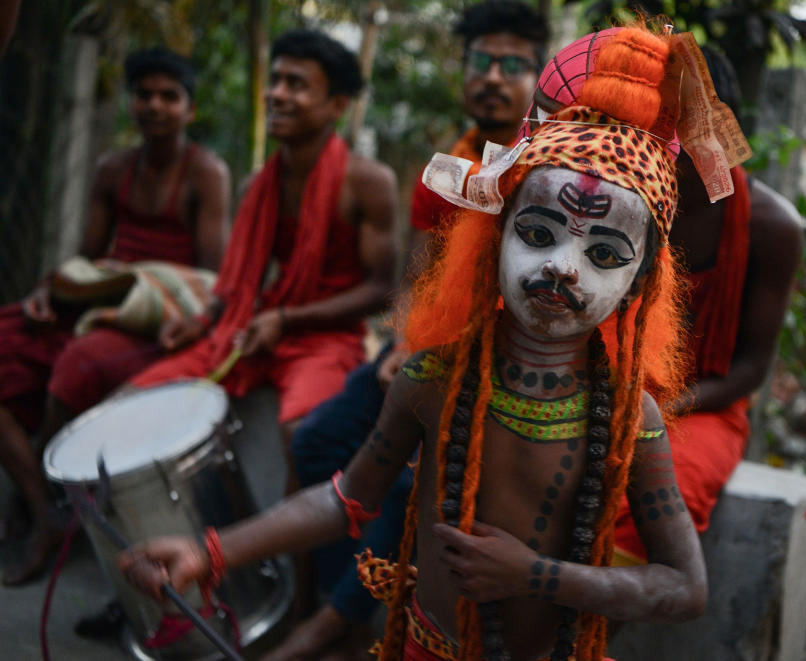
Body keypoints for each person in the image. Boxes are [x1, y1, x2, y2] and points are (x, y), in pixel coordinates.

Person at [121, 24, 719, 660]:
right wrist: (209, 550)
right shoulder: (432, 380)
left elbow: (685, 587)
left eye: (603, 253)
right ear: (492, 242)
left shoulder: (633, 419)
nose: (564, 268)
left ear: (638, 286)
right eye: (540, 235)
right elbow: (345, 499)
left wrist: (536, 576)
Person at [269, 3, 548, 659]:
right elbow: (418, 276)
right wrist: (403, 340)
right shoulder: (450, 163)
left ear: (538, 75)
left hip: (509, 369)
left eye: (513, 65)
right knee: (316, 440)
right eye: (482, 61)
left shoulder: (550, 166)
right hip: (433, 355)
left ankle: (332, 627)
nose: (493, 77)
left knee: (409, 479)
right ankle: (345, 602)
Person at [518, 34, 802, 563]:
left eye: (683, 127)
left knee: (666, 489)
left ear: (721, 132)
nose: (668, 143)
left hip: (701, 408)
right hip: (595, 383)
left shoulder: (771, 227)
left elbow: (749, 370)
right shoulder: (610, 195)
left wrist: (652, 410)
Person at [0, 47, 230, 586]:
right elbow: (87, 256)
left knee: (78, 365)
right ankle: (43, 507)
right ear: (131, 103)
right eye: (144, 95)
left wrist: (156, 304)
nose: (154, 106)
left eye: (168, 97)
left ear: (189, 110)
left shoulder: (207, 173)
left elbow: (208, 280)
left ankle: (40, 501)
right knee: (11, 337)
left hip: (158, 317)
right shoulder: (111, 169)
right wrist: (48, 291)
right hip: (102, 304)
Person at [127, 29, 398, 477]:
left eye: (296, 84)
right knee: (135, 398)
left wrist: (288, 320)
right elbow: (239, 285)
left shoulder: (369, 182)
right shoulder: (256, 186)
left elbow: (381, 290)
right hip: (259, 326)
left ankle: (291, 549)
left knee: (302, 434)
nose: (276, 94)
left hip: (326, 338)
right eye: (275, 81)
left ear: (336, 105)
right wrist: (201, 320)